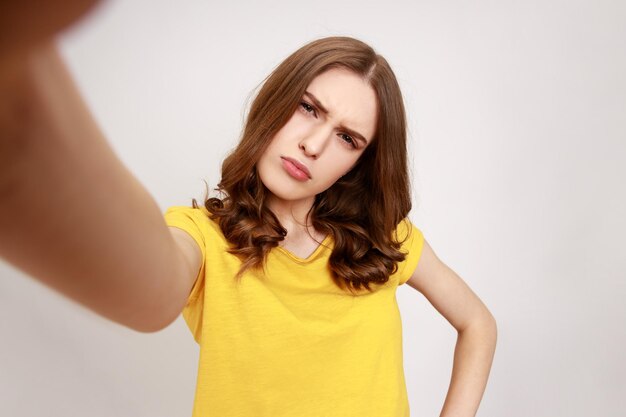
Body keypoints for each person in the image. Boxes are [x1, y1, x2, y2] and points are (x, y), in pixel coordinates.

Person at [0, 3, 497, 417]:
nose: (314, 145)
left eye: (348, 138)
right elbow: (149, 290)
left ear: (359, 163)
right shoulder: (203, 238)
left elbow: (478, 323)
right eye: (308, 107)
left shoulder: (386, 240)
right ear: (276, 101)